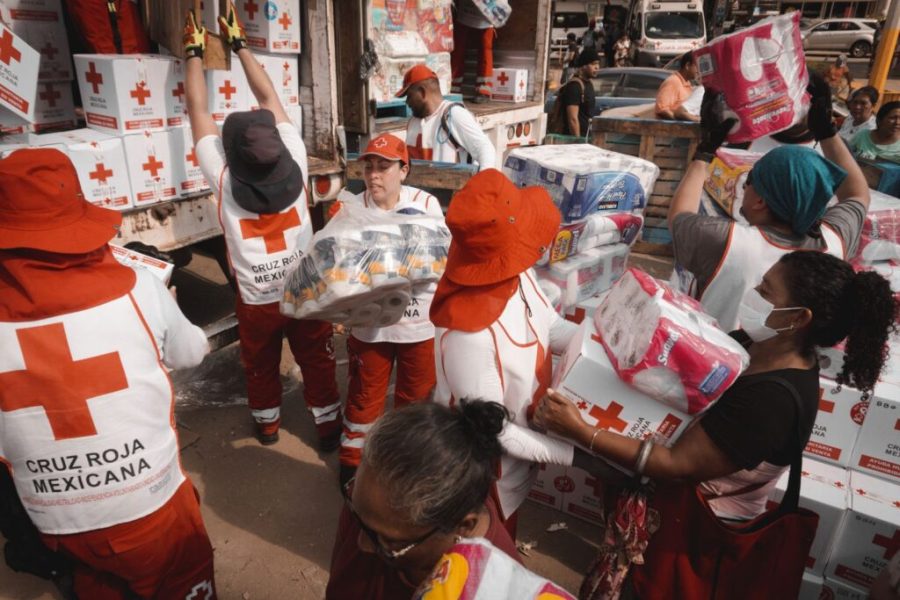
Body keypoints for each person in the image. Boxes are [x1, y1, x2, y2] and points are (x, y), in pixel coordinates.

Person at [537, 250, 898, 595]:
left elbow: (677, 465)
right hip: (671, 511)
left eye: (766, 291)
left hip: (693, 537)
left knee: (652, 588)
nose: (754, 294)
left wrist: (583, 431)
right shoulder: (751, 346)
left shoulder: (772, 401)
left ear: (798, 318)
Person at [0, 148, 215, 598]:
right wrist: (165, 318)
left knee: (98, 584)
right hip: (150, 506)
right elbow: (191, 352)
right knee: (183, 576)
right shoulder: (138, 289)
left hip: (58, 521)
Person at [183, 5, 341, 446]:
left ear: (232, 155)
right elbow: (270, 98)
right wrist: (241, 45)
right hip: (305, 291)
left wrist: (193, 51)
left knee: (260, 363)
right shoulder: (297, 162)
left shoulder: (224, 181)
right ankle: (329, 426)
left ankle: (268, 424)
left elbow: (197, 109)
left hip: (257, 301)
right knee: (317, 359)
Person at [431, 169, 587, 538]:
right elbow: (494, 432)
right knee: (487, 551)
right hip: (484, 478)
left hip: (527, 452)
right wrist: (577, 455)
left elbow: (550, 326)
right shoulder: (468, 336)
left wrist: (604, 343)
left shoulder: (518, 274)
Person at [668, 75, 870, 331]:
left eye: (749, 181)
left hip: (720, 354)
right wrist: (827, 132)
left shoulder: (726, 242)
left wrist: (703, 154)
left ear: (760, 201)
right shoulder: (834, 242)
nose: (744, 186)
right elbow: (857, 194)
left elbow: (679, 216)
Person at [327, 400, 519, 599]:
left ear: (463, 527)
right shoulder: (370, 509)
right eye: (356, 516)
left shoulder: (495, 591)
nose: (361, 544)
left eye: (389, 541)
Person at [336, 134, 444, 486]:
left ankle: (405, 466)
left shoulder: (426, 204)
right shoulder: (351, 208)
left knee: (415, 403)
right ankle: (353, 465)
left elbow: (436, 261)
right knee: (363, 397)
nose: (373, 175)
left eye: (384, 167)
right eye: (368, 167)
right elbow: (335, 268)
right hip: (370, 328)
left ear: (404, 170)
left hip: (418, 325)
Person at [397, 65, 497, 169]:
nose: (407, 102)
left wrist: (484, 177)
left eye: (409, 96)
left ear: (422, 93)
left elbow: (485, 150)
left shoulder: (454, 114)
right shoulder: (413, 122)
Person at [450, 0, 510, 103]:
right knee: (458, 48)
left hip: (488, 13)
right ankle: (453, 87)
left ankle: (484, 89)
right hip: (466, 11)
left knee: (485, 49)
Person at [557, 47, 602, 138]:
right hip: (575, 140)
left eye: (598, 64)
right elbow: (572, 119)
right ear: (583, 66)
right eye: (593, 64)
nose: (597, 67)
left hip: (587, 137)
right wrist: (578, 141)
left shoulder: (588, 83)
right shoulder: (575, 86)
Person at [655, 51, 700, 121]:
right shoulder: (673, 82)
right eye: (697, 66)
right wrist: (680, 121)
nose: (699, 70)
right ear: (687, 65)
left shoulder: (687, 82)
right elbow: (662, 109)